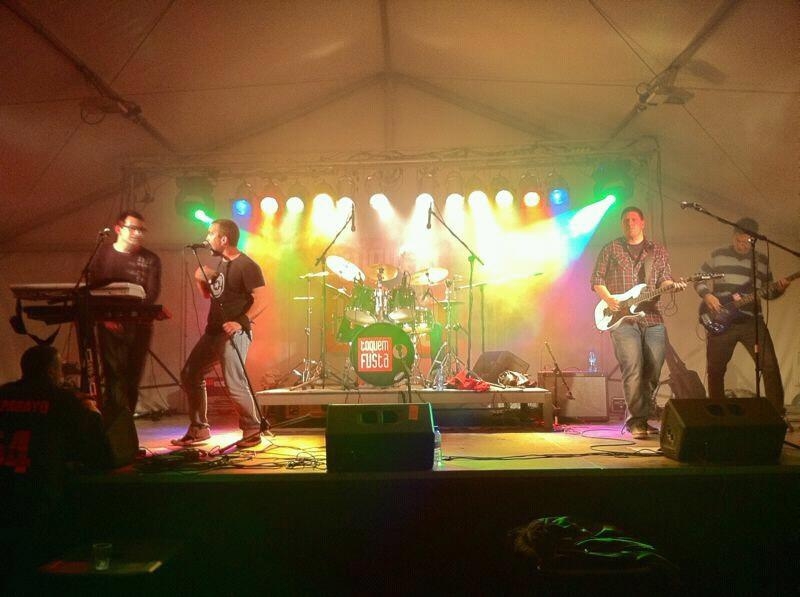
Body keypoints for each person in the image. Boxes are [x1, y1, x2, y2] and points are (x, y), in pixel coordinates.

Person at [0, 345, 111, 584]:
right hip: (41, 499)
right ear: (52, 371)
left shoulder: (3, 394)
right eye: (60, 368)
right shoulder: (62, 400)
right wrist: (92, 415)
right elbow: (96, 455)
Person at [590, 207, 686, 439]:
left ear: (643, 223)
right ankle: (636, 421)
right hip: (622, 320)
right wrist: (609, 299)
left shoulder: (657, 251)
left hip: (652, 316)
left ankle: (642, 416)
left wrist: (671, 286)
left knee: (653, 368)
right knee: (632, 367)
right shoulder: (611, 248)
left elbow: (664, 279)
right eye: (626, 220)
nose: (630, 223)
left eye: (634, 219)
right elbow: (596, 279)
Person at [172, 219, 269, 448]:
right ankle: (199, 429)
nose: (207, 238)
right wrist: (201, 281)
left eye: (210, 234)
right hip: (213, 332)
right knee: (190, 373)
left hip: (234, 333)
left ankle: (253, 429)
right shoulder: (223, 265)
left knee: (234, 382)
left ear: (223, 239)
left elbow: (264, 298)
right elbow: (210, 296)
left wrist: (240, 322)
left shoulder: (246, 265)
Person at [694, 217, 791, 414]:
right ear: (733, 236)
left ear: (753, 240)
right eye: (738, 240)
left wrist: (780, 289)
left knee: (769, 365)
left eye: (746, 242)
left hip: (751, 321)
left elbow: (768, 292)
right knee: (715, 369)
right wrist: (708, 295)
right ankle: (718, 413)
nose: (742, 245)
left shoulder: (761, 261)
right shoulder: (718, 255)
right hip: (721, 318)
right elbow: (698, 278)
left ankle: (776, 413)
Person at [88, 209, 161, 419]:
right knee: (112, 376)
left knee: (132, 376)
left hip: (139, 325)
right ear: (118, 229)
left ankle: (126, 423)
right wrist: (105, 318)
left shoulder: (150, 259)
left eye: (142, 230)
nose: (138, 233)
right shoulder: (102, 255)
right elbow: (92, 288)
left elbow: (151, 293)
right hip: (108, 323)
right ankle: (112, 421)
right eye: (133, 228)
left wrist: (133, 313)